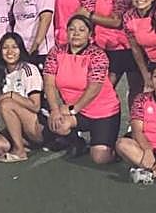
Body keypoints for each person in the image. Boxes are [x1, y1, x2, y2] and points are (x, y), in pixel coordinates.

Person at [43, 14, 121, 165]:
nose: (76, 33)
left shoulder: (98, 55)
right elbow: (49, 83)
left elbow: (94, 88)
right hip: (77, 112)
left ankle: (117, 147)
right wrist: (54, 110)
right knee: (58, 125)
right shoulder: (56, 52)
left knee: (100, 158)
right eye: (72, 29)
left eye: (81, 30)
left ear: (90, 35)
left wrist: (72, 110)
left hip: (102, 112)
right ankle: (77, 142)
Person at [0, 33, 45, 163]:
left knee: (7, 104)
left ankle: (20, 151)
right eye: (5, 47)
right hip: (17, 127)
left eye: (14, 47)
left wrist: (11, 95)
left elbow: (36, 106)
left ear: (20, 50)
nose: (10, 51)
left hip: (37, 126)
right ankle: (23, 143)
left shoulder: (28, 69)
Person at [88, 0, 133, 90]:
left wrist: (89, 16)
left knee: (106, 89)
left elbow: (116, 21)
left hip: (119, 48)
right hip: (99, 45)